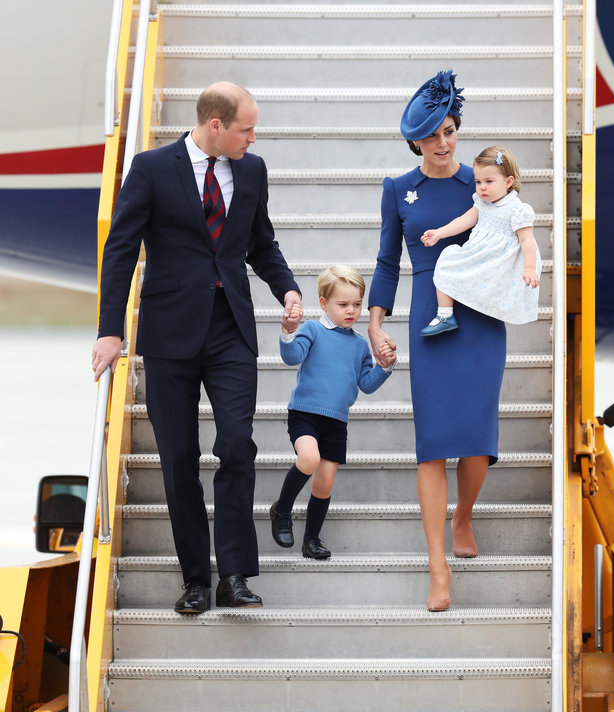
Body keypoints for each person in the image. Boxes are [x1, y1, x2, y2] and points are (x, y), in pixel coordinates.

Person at [92, 82, 302, 613]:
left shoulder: (251, 171)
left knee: (236, 444)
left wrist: (289, 289)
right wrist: (110, 329)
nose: (253, 138)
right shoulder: (150, 168)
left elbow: (261, 242)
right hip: (169, 334)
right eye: (245, 129)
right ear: (215, 125)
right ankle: (195, 579)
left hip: (230, 327)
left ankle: (234, 574)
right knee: (178, 457)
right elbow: (120, 251)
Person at [368, 70, 507, 612]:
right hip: (430, 316)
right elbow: (386, 261)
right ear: (416, 141)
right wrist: (377, 321)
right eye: (433, 136)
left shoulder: (483, 181)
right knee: (432, 449)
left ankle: (464, 515)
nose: (445, 143)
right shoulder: (398, 190)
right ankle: (437, 565)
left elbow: (513, 233)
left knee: (477, 442)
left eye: (451, 131)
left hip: (481, 315)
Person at [270, 265, 396, 559]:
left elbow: (366, 384)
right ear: (324, 303)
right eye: (343, 304)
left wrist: (385, 365)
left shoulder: (360, 345)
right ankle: (282, 510)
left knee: (324, 482)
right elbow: (292, 357)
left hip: (336, 422)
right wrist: (289, 331)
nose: (351, 310)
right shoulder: (313, 329)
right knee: (309, 458)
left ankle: (311, 538)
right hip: (305, 414)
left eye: (356, 304)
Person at [420, 145, 541, 336]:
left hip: (499, 262)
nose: (482, 187)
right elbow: (464, 220)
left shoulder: (516, 209)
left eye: (489, 181)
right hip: (479, 255)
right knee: (447, 259)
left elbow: (527, 241)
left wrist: (529, 268)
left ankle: (482, 308)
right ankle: (445, 315)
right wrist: (439, 233)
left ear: (508, 181)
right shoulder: (482, 202)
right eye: (478, 181)